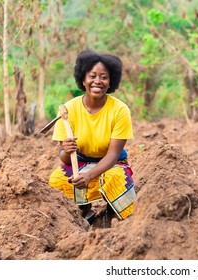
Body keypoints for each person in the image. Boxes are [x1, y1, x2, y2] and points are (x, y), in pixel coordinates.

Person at [48, 50, 136, 223]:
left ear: (111, 82)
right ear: (83, 79)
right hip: (80, 162)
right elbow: (65, 159)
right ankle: (81, 212)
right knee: (57, 180)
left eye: (104, 77)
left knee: (116, 178)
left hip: (112, 163)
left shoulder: (120, 110)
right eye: (92, 76)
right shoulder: (68, 110)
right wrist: (66, 150)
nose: (97, 81)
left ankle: (113, 216)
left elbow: (113, 155)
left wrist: (89, 176)